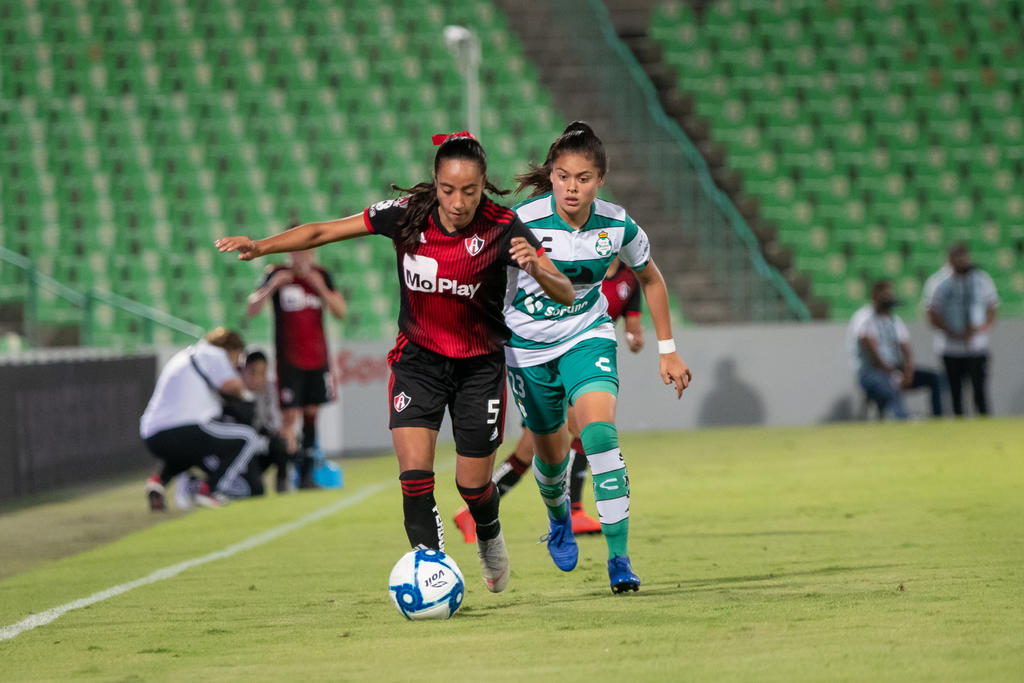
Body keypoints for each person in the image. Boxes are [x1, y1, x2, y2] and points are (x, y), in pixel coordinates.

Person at [216, 132, 574, 594]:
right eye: (448, 189)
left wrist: (538, 268)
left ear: (484, 185)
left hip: (478, 369)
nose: (459, 201)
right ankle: (434, 574)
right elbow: (325, 230)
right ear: (435, 181)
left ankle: (489, 534)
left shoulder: (504, 227)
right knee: (414, 478)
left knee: (473, 487)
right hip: (418, 362)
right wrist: (263, 247)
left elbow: (564, 291)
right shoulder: (407, 216)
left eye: (470, 191)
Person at [504, 121, 692, 593]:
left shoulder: (617, 224)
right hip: (527, 349)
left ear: (600, 180)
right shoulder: (520, 223)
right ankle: (559, 516)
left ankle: (619, 559)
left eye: (583, 178)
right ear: (551, 176)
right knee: (550, 459)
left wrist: (667, 351)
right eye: (564, 176)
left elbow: (651, 279)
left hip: (587, 335)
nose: (572, 187)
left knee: (600, 435)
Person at [452, 257, 645, 542]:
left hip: (584, 360)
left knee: (526, 454)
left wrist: (634, 338)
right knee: (579, 429)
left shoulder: (629, 280)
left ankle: (472, 511)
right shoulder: (580, 264)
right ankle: (575, 509)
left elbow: (633, 324)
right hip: (547, 360)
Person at [246, 248, 346, 489]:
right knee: (289, 417)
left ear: (313, 253)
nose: (301, 258)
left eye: (306, 253)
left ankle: (306, 475)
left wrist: (320, 287)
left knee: (312, 414)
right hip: (289, 360)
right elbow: (251, 308)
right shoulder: (276, 274)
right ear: (289, 253)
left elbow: (340, 311)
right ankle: (282, 475)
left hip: (318, 359)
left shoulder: (321, 275)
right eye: (295, 253)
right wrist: (272, 287)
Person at [141, 327, 264, 510]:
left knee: (188, 451)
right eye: (236, 357)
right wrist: (247, 393)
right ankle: (210, 490)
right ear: (230, 350)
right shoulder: (214, 354)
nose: (234, 364)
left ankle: (158, 482)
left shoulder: (183, 355)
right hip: (187, 426)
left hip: (152, 434)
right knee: (247, 438)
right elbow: (233, 387)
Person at [848, 280, 942, 419]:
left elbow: (906, 348)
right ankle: (902, 418)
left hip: (895, 368)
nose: (889, 299)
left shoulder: (894, 320)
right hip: (870, 372)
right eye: (885, 295)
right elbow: (872, 353)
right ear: (875, 296)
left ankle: (938, 419)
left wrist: (908, 371)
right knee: (888, 384)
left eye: (890, 295)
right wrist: (893, 373)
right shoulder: (864, 318)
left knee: (933, 378)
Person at [924, 244, 999, 416]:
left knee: (980, 391)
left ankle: (984, 424)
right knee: (955, 393)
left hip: (977, 346)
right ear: (950, 260)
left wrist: (983, 328)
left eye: (964, 257)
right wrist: (952, 332)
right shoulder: (939, 282)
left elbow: (992, 306)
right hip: (951, 347)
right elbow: (931, 312)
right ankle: (960, 424)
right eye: (958, 258)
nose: (962, 262)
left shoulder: (981, 279)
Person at [240, 349, 291, 493]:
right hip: (242, 450)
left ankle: (282, 483)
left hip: (260, 443)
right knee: (257, 491)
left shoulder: (270, 388)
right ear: (243, 371)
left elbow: (274, 422)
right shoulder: (235, 389)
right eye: (252, 372)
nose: (257, 379)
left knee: (281, 443)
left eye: (262, 373)